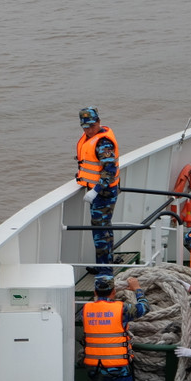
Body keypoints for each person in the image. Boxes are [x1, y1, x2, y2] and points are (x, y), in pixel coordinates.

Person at [76, 106, 119, 275]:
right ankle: (104, 265)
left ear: (99, 122)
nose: (89, 129)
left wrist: (96, 190)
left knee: (101, 234)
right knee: (102, 231)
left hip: (103, 195)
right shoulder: (89, 138)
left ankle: (105, 271)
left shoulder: (103, 142)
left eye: (92, 126)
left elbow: (110, 169)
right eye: (85, 127)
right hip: (98, 193)